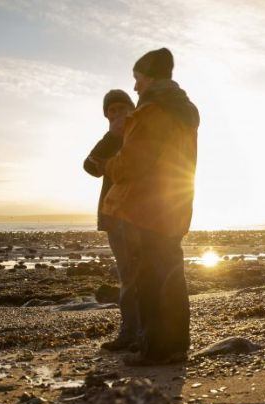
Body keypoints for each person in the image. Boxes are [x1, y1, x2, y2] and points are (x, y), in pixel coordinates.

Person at [93, 48, 199, 365]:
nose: (136, 87)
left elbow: (132, 164)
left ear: (150, 77)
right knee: (171, 277)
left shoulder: (152, 112)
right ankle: (176, 346)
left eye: (138, 79)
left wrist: (109, 165)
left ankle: (154, 350)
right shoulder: (184, 113)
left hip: (146, 208)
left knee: (151, 280)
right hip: (175, 204)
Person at [83, 89, 139, 351]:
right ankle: (130, 332)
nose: (116, 114)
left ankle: (143, 332)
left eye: (121, 108)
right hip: (114, 215)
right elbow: (89, 166)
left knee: (144, 273)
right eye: (111, 111)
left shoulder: (141, 131)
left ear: (132, 107)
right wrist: (111, 136)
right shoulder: (110, 139)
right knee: (127, 275)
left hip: (142, 213)